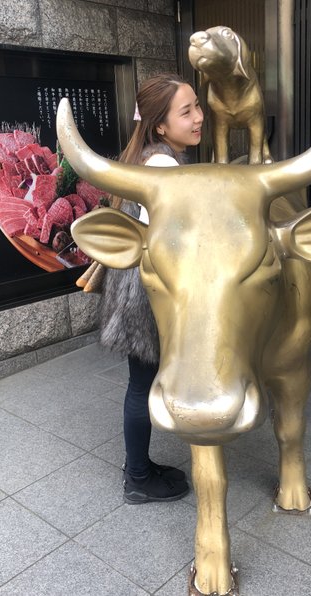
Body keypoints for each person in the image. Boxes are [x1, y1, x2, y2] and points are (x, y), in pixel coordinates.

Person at [99, 74, 204, 504]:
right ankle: (138, 479)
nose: (199, 117)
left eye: (197, 106)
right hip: (149, 293)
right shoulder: (162, 167)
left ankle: (138, 467)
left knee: (140, 383)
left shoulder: (152, 156)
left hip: (138, 285)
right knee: (142, 385)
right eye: (187, 111)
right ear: (160, 125)